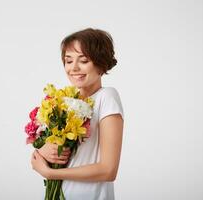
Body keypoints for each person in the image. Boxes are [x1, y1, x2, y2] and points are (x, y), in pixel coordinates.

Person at [31, 27, 124, 200]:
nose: (74, 68)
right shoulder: (63, 101)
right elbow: (48, 152)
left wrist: (52, 174)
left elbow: (108, 170)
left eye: (83, 60)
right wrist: (43, 152)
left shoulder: (107, 97)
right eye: (68, 60)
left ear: (100, 63)